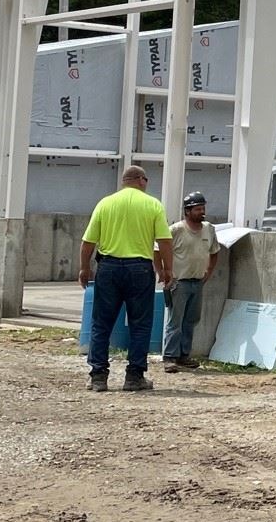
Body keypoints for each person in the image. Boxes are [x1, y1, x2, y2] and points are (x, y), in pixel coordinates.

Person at [78, 165, 173, 392]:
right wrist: (167, 269)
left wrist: (84, 268)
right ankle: (134, 377)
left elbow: (88, 242)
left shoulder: (105, 203)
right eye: (146, 179)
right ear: (140, 180)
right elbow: (164, 241)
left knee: (101, 323)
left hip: (108, 267)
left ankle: (98, 376)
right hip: (139, 269)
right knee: (140, 324)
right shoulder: (152, 204)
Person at [162, 191, 221, 372]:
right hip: (179, 283)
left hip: (197, 283)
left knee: (191, 320)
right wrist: (164, 273)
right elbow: (158, 250)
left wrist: (209, 272)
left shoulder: (208, 229)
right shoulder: (176, 230)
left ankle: (183, 355)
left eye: (203, 208)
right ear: (187, 211)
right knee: (175, 321)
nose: (201, 212)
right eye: (197, 209)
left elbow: (214, 251)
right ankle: (170, 357)